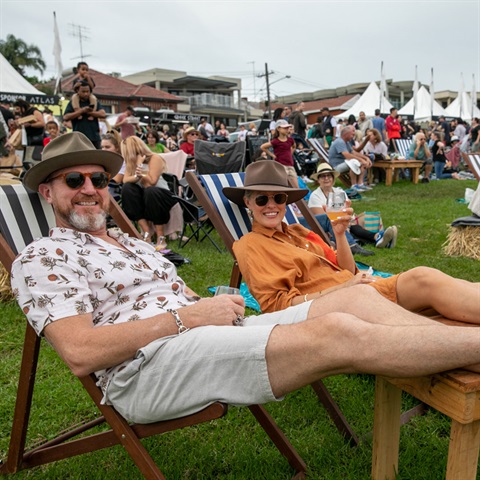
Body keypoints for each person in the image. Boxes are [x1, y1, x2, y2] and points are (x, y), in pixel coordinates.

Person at [13, 132, 480, 427]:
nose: (91, 189)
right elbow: (80, 353)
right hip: (144, 371)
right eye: (74, 180)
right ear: (47, 191)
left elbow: (182, 302)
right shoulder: (41, 257)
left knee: (355, 302)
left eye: (98, 179)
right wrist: (185, 317)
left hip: (201, 332)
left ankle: (461, 348)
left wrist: (204, 305)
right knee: (338, 333)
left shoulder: (132, 243)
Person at [225, 160, 480, 322]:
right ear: (247, 203)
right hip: (339, 309)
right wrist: (344, 290)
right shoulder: (250, 245)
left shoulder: (298, 231)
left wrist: (339, 234)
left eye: (278, 198)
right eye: (261, 199)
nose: (271, 205)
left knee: (437, 282)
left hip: (359, 291)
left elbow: (347, 271)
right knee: (425, 280)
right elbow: (277, 308)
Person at [308, 163, 397, 249]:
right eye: (323, 176)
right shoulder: (315, 196)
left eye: (329, 176)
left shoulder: (340, 192)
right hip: (328, 228)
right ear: (318, 180)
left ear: (333, 178)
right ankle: (378, 238)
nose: (326, 178)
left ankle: (377, 239)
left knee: (354, 228)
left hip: (344, 223)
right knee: (353, 229)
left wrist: (347, 222)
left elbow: (346, 211)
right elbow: (323, 219)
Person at [121, 135, 177, 250]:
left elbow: (151, 182)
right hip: (144, 197)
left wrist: (139, 167)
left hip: (161, 195)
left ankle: (160, 236)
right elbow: (125, 180)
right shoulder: (131, 163)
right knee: (127, 188)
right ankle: (147, 232)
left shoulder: (154, 158)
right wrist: (137, 174)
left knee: (151, 192)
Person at [63, 81, 106, 148]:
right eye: (83, 92)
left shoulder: (94, 101)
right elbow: (66, 117)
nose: (86, 94)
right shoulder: (73, 102)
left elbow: (103, 114)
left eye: (87, 91)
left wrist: (89, 112)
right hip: (78, 138)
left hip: (94, 137)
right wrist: (81, 111)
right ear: (78, 91)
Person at [328, 126, 372, 190]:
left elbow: (353, 152)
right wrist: (362, 160)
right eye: (352, 134)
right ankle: (354, 186)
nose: (353, 136)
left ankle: (360, 184)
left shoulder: (346, 142)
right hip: (337, 166)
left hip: (344, 163)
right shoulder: (340, 142)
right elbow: (347, 155)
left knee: (359, 163)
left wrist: (366, 158)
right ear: (346, 134)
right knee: (354, 163)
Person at [260, 119, 298, 187]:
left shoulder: (290, 140)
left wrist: (290, 153)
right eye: (285, 128)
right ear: (278, 129)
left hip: (290, 165)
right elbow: (263, 147)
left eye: (288, 128)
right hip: (280, 165)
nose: (287, 129)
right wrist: (272, 155)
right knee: (284, 185)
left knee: (295, 187)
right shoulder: (276, 141)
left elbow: (294, 146)